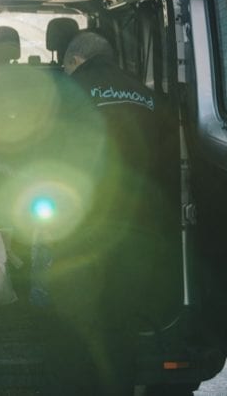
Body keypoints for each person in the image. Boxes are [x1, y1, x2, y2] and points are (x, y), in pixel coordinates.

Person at [40, 31, 179, 396]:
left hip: (82, 231)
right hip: (140, 231)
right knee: (119, 326)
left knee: (70, 324)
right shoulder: (150, 98)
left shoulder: (65, 95)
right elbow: (170, 174)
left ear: (74, 62)